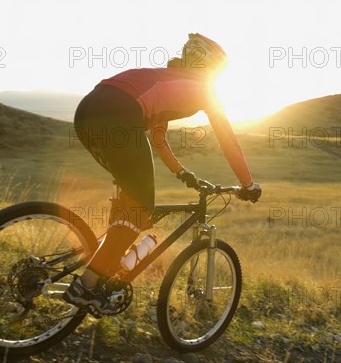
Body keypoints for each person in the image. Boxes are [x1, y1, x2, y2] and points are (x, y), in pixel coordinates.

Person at [64, 33, 262, 313]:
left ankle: (103, 266)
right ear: (209, 67)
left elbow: (158, 139)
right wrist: (248, 184)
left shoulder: (165, 77)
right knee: (141, 208)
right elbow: (228, 140)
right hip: (119, 115)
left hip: (89, 110)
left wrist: (183, 173)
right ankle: (86, 287)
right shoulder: (205, 90)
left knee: (127, 209)